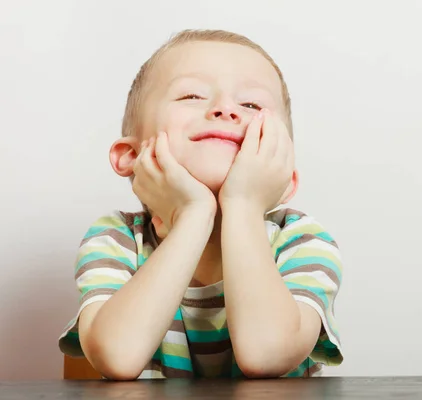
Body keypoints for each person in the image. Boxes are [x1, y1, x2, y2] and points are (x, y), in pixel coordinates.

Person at [58, 29, 343, 380]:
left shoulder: (302, 241)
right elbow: (117, 357)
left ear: (285, 177)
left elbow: (267, 354)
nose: (225, 109)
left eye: (251, 104)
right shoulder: (115, 238)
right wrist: (193, 216)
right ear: (130, 156)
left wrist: (243, 205)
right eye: (191, 95)